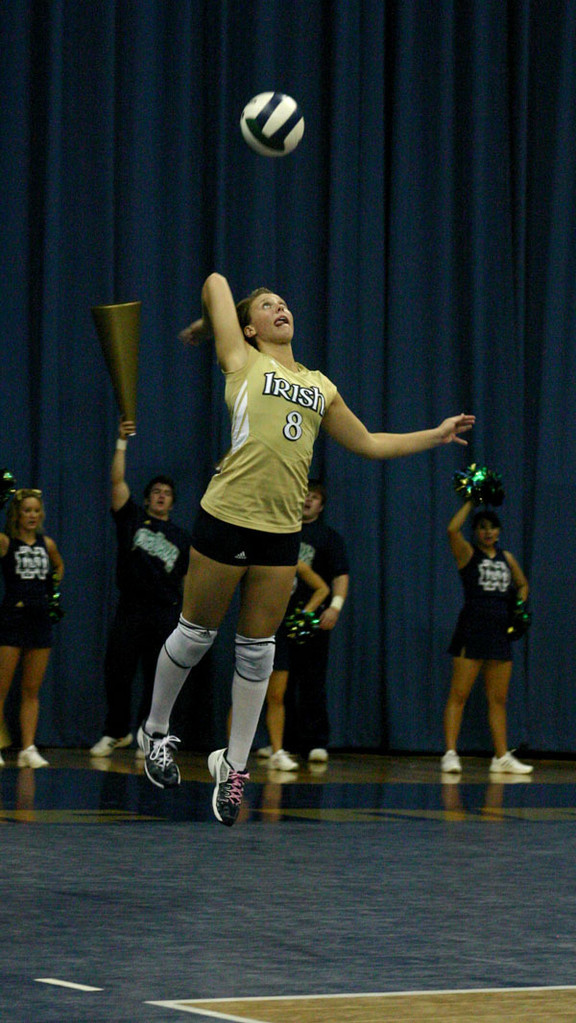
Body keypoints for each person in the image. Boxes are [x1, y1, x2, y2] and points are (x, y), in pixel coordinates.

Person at [137, 272, 475, 826]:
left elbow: (367, 442)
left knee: (258, 648)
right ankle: (154, 731)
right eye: (268, 306)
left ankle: (235, 764)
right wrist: (209, 323)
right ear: (248, 326)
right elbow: (216, 281)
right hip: (226, 515)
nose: (281, 308)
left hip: (279, 529)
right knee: (196, 634)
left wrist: (433, 435)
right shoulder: (242, 359)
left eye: (284, 303)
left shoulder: (320, 385)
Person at [90, 419, 192, 757]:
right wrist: (121, 442)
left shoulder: (181, 537)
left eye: (167, 494)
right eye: (156, 492)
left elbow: (188, 579)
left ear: (172, 503)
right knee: (117, 671)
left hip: (164, 613)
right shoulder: (132, 517)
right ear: (148, 499)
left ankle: (147, 734)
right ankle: (116, 732)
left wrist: (187, 618)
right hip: (131, 608)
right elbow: (117, 481)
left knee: (157, 677)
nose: (161, 496)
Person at [441, 499, 532, 775]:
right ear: (476, 532)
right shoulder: (468, 554)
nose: (488, 532)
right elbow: (451, 530)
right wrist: (471, 501)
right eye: (482, 528)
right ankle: (450, 753)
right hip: (472, 629)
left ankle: (501, 757)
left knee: (498, 698)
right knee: (460, 693)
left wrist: (518, 606)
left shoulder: (508, 558)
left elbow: (523, 584)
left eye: (493, 527)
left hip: (499, 633)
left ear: (500, 532)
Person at [283, 480, 349, 765]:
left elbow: (340, 575)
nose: (307, 501)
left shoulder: (328, 537)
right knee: (281, 682)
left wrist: (334, 607)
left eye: (314, 498)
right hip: (280, 614)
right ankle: (282, 743)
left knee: (312, 680)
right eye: (304, 496)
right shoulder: (283, 531)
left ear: (321, 506)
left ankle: (315, 743)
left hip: (312, 616)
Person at [0, 488, 64, 768]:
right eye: (26, 510)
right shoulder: (6, 543)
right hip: (13, 620)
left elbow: (59, 567)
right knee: (1, 688)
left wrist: (51, 594)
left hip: (39, 621)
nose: (32, 515)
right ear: (17, 514)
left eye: (36, 511)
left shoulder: (46, 544)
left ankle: (28, 747)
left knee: (31, 689)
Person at [256, 558, 330, 771]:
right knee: (243, 692)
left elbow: (322, 588)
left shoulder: (296, 563)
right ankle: (233, 754)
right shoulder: (256, 559)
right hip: (255, 627)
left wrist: (305, 613)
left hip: (280, 633)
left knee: (277, 695)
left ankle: (278, 751)